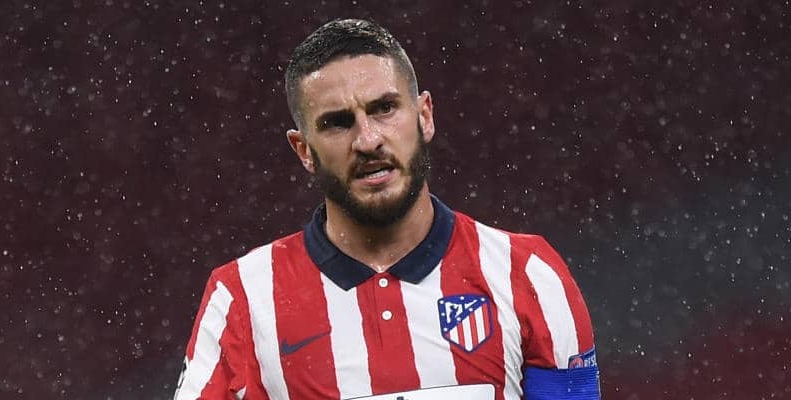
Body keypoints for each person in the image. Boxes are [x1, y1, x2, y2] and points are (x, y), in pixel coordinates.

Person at [174, 18, 600, 400]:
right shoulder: (243, 298)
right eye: (337, 122)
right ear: (303, 151)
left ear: (424, 116)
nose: (368, 139)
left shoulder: (527, 274)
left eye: (384, 108)